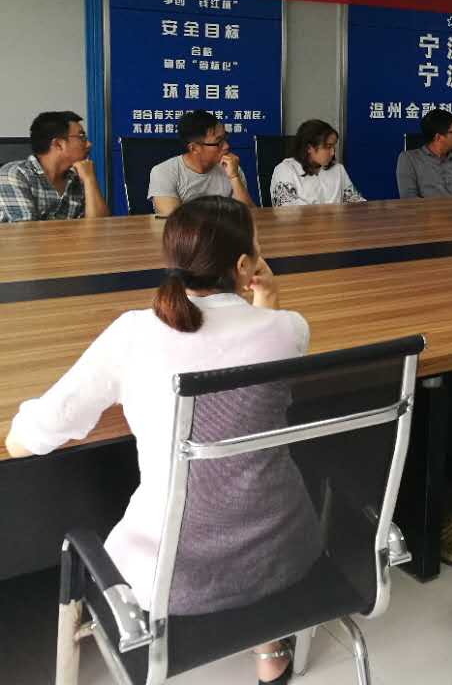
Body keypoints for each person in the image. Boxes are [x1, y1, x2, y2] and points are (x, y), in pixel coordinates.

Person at [5, 197, 320, 684]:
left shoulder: (134, 333)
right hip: (283, 556)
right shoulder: (289, 330)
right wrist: (268, 298)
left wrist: (17, 435)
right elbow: (265, 339)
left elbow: (34, 436)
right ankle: (269, 644)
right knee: (247, 475)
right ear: (244, 266)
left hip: (171, 579)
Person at [0, 111, 107, 222]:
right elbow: (26, 231)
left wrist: (90, 179)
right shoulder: (14, 175)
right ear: (58, 144)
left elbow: (99, 227)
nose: (89, 144)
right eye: (81, 137)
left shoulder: (78, 179)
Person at [149, 110, 254, 216]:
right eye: (218, 142)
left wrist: (234, 177)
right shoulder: (164, 172)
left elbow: (249, 216)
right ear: (194, 148)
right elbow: (172, 220)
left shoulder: (231, 168)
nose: (227, 146)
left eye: (225, 137)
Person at [270, 119, 365, 207]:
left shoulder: (338, 169)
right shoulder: (285, 170)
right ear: (309, 148)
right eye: (328, 147)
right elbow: (286, 210)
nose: (333, 153)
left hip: (337, 220)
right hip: (305, 220)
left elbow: (355, 202)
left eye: (334, 146)